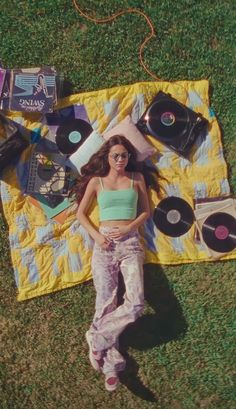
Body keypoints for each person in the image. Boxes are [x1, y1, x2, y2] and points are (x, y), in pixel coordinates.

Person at [75, 134, 153, 392]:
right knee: (106, 303)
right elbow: (81, 214)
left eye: (124, 155)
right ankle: (111, 365)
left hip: (130, 242)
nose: (120, 159)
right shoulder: (97, 182)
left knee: (136, 302)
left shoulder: (137, 178)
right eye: (115, 155)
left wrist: (130, 227)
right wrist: (97, 235)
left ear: (129, 157)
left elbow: (146, 211)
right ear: (107, 158)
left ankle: (96, 337)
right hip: (103, 244)